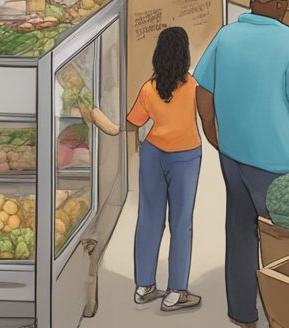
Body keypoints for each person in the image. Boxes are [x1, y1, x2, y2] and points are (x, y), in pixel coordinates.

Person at [195, 0, 289, 328]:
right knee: (287, 243)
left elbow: (203, 90)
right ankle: (287, 315)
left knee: (239, 230)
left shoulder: (226, 36)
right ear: (280, 5)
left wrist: (211, 131)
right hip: (278, 165)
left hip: (232, 155)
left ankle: (243, 315)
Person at [80, 28, 202, 313]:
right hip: (185, 157)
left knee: (149, 218)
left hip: (152, 154)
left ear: (158, 55)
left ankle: (144, 286)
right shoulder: (194, 86)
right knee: (181, 223)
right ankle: (175, 292)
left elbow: (131, 124)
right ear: (184, 55)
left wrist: (96, 114)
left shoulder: (149, 88)